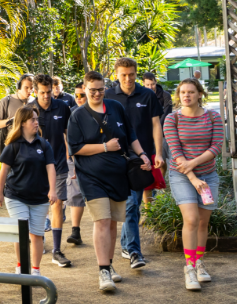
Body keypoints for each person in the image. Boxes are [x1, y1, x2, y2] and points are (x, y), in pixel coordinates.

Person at [68, 71, 151, 291]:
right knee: (102, 221)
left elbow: (130, 135)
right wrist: (105, 147)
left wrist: (142, 155)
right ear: (84, 89)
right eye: (92, 89)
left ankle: (110, 265)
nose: (96, 93)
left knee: (113, 222)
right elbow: (75, 148)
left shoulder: (116, 107)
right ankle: (103, 271)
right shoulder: (77, 115)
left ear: (105, 88)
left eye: (100, 89)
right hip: (91, 176)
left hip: (118, 174)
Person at [163, 78, 224, 291]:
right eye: (182, 92)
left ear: (199, 94)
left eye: (190, 92)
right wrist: (193, 178)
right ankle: (189, 267)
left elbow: (216, 146)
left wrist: (195, 165)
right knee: (190, 219)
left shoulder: (213, 117)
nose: (186, 96)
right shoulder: (172, 119)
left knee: (202, 223)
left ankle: (199, 262)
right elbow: (175, 152)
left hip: (208, 174)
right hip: (181, 175)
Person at [104, 58, 164, 269]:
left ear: (136, 74)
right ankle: (131, 249)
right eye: (123, 75)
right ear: (116, 75)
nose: (128, 78)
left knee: (133, 206)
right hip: (115, 158)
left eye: (131, 74)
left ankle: (132, 249)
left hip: (141, 159)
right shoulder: (108, 96)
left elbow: (156, 124)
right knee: (129, 208)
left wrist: (158, 153)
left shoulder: (147, 95)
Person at [0, 105, 58, 276]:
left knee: (37, 234)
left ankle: (35, 271)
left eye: (37, 119)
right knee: (22, 233)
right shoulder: (13, 146)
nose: (36, 122)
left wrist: (53, 190)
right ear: (22, 123)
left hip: (40, 198)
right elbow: (4, 171)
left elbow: (51, 168)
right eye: (33, 120)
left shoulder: (43, 144)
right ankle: (21, 267)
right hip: (16, 196)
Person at [29, 74, 72, 268]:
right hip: (35, 168)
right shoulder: (28, 110)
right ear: (35, 92)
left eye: (49, 92)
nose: (47, 96)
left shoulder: (62, 107)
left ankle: (56, 250)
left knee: (57, 204)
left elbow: (69, 134)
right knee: (37, 207)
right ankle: (38, 242)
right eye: (43, 93)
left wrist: (74, 159)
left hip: (59, 165)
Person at [142, 72, 172, 207]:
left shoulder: (165, 95)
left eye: (152, 84)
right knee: (151, 162)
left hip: (163, 132)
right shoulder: (142, 95)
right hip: (146, 133)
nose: (150, 87)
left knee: (162, 161)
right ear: (143, 84)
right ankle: (152, 190)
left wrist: (156, 128)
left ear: (156, 82)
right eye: (147, 84)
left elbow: (166, 114)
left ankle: (160, 181)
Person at [65, 82, 87, 245]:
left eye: (82, 95)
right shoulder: (71, 112)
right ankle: (75, 230)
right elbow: (66, 137)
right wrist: (71, 157)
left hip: (96, 158)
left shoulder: (100, 111)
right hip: (75, 158)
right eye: (76, 96)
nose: (78, 99)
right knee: (75, 194)